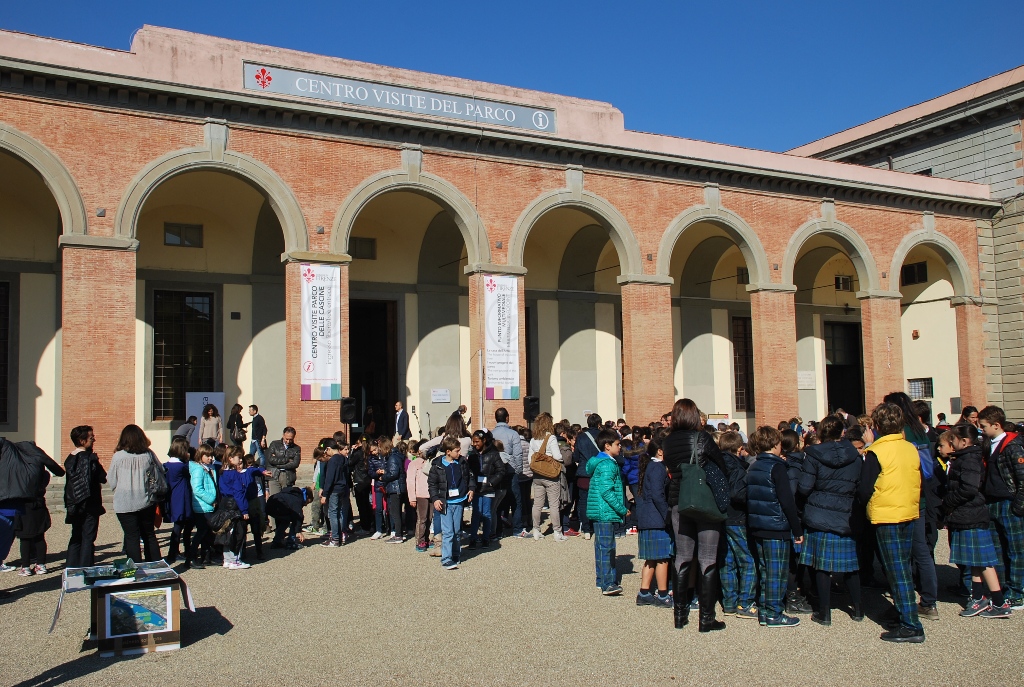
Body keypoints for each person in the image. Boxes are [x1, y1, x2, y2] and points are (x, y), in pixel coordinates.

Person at [857, 402, 925, 643]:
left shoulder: (876, 451)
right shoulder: (909, 448)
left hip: (887, 514)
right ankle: (903, 611)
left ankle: (911, 623)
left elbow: (865, 488)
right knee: (902, 566)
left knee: (896, 570)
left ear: (876, 425)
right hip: (908, 510)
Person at [661, 398, 729, 631]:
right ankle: (706, 618)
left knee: (682, 556)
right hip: (703, 499)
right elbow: (720, 466)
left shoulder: (668, 441)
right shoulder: (702, 438)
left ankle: (680, 616)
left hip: (679, 501)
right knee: (708, 557)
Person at [797, 415, 863, 626]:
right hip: (846, 512)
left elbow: (805, 487)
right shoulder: (855, 454)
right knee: (850, 566)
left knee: (822, 566)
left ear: (821, 432)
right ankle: (859, 609)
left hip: (819, 513)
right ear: (842, 432)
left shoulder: (813, 455)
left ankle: (824, 613)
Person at [939, 425, 1012, 618]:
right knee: (976, 561)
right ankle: (979, 597)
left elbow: (969, 488)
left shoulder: (969, 459)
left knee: (984, 560)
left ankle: (998, 602)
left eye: (953, 440)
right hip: (968, 514)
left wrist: (948, 501)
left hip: (971, 514)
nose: (951, 443)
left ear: (963, 441)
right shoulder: (966, 457)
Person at [883, 391, 939, 620]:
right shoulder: (920, 431)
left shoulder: (900, 432)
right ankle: (929, 602)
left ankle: (903, 604)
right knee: (922, 552)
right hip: (920, 496)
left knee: (900, 555)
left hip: (901, 497)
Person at [747, 426, 804, 628]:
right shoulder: (777, 467)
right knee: (777, 571)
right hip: (775, 524)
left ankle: (765, 609)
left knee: (764, 569)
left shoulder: (753, 466)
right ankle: (773, 612)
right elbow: (787, 501)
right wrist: (797, 530)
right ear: (775, 444)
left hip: (757, 524)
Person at [977, 405, 1024, 609]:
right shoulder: (989, 445)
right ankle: (1004, 588)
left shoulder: (1013, 446)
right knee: (998, 550)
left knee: (1015, 550)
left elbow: (1022, 478)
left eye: (983, 426)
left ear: (996, 425)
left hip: (1008, 503)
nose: (981, 430)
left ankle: (1018, 591)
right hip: (992, 502)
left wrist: (1018, 507)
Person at [108, 425, 162, 563]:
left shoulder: (118, 457)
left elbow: (112, 481)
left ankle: (135, 569)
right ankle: (155, 566)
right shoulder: (148, 455)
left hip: (124, 503)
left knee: (131, 537)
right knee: (149, 535)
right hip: (145, 500)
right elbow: (159, 472)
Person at [718, 430, 757, 620]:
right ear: (739, 448)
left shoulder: (716, 465)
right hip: (736, 516)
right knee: (747, 561)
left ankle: (729, 602)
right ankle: (746, 602)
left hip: (720, 516)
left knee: (727, 561)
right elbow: (737, 493)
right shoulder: (737, 467)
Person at [635, 433, 672, 607]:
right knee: (662, 558)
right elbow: (658, 494)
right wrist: (667, 514)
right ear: (660, 451)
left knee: (650, 558)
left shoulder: (649, 466)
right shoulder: (658, 468)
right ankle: (663, 594)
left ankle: (644, 592)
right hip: (656, 518)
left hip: (647, 517)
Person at [588, 428, 626, 596]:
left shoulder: (600, 462)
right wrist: (622, 508)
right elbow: (607, 491)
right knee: (607, 547)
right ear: (607, 446)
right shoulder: (608, 465)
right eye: (618, 444)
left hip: (600, 510)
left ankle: (601, 579)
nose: (620, 447)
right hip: (605, 510)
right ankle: (608, 583)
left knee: (601, 547)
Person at [428, 436, 475, 570]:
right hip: (445, 502)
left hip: (459, 501)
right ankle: (446, 559)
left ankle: (455, 554)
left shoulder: (462, 462)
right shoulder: (437, 465)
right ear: (448, 451)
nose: (459, 453)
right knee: (448, 531)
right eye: (456, 451)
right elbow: (432, 484)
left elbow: (469, 476)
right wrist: (436, 498)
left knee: (457, 530)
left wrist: (471, 488)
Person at [63, 425, 106, 568]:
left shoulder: (70, 458)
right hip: (90, 502)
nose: (94, 439)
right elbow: (102, 477)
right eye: (91, 437)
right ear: (82, 441)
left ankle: (71, 567)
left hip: (74, 502)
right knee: (88, 537)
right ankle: (85, 568)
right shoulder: (89, 458)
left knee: (76, 536)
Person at [529, 412, 566, 541]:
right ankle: (557, 532)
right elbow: (558, 456)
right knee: (554, 504)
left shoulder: (533, 439)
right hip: (550, 475)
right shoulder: (551, 438)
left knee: (537, 504)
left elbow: (530, 459)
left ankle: (536, 529)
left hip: (537, 474)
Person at [491, 408, 525, 537]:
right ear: (507, 418)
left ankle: (498, 530)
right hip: (511, 470)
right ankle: (517, 529)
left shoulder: (491, 434)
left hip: (496, 472)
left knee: (498, 502)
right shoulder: (513, 434)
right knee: (516, 501)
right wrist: (518, 470)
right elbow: (518, 453)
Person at [217, 447, 252, 569]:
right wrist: (244, 510)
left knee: (228, 532)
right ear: (231, 459)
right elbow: (238, 493)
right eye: (238, 457)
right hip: (235, 505)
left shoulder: (222, 472)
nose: (240, 459)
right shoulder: (234, 474)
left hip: (225, 503)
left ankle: (227, 559)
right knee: (238, 533)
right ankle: (234, 560)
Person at [468, 429, 504, 548]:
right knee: (476, 514)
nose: (475, 444)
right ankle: (473, 538)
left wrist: (491, 483)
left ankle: (486, 538)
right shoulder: (472, 455)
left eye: (477, 441)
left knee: (487, 513)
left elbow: (501, 470)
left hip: (488, 489)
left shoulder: (493, 454)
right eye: (473, 442)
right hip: (476, 489)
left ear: (484, 440)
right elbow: (468, 471)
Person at [186, 443, 218, 569]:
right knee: (202, 532)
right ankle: (190, 558)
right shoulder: (198, 469)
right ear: (201, 455)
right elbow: (197, 489)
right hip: (202, 506)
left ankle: (206, 557)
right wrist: (211, 499)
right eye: (207, 456)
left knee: (207, 532)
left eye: (211, 456)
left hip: (209, 505)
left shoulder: (210, 468)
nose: (210, 458)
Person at [572, 413, 604, 541]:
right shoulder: (603, 436)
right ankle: (599, 526)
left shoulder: (581, 437)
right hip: (600, 471)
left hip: (584, 472)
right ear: (599, 424)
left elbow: (576, 456)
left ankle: (586, 529)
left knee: (584, 501)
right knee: (600, 500)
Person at [163, 436, 194, 564]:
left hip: (173, 498)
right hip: (181, 499)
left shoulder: (166, 465)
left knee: (178, 527)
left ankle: (174, 552)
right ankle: (173, 552)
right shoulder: (182, 467)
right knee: (179, 527)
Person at [319, 437, 350, 547]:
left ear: (328, 449)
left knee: (333, 513)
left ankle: (335, 539)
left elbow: (329, 478)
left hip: (334, 489)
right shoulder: (343, 458)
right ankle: (341, 535)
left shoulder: (333, 460)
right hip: (343, 487)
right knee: (340, 512)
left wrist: (325, 494)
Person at [378, 436, 407, 543]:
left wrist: (383, 476)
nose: (380, 451)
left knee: (395, 512)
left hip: (395, 487)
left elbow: (394, 474)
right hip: (398, 487)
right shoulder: (396, 456)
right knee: (397, 511)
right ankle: (399, 533)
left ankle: (398, 535)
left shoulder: (392, 457)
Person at [267, 485, 313, 549]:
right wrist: (299, 531)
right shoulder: (297, 499)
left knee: (285, 521)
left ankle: (277, 541)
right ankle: (290, 542)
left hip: (270, 506)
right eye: (307, 502)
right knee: (295, 519)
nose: (305, 505)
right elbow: (299, 516)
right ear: (307, 496)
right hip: (277, 507)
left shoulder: (293, 493)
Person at [406, 441, 433, 552]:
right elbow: (410, 481)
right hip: (420, 494)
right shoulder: (414, 464)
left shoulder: (431, 462)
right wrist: (412, 497)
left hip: (431, 494)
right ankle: (420, 541)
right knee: (422, 519)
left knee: (429, 518)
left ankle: (426, 538)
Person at [241, 453, 268, 560]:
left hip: (254, 502)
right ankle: (242, 552)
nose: (249, 466)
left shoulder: (251, 470)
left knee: (256, 529)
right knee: (242, 530)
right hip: (243, 503)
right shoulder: (238, 473)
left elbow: (258, 470)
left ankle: (259, 550)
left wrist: (263, 471)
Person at [267, 427, 301, 497]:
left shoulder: (296, 448)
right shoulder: (274, 444)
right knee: (274, 499)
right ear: (283, 435)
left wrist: (279, 465)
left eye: (290, 439)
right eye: (286, 439)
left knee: (286, 500)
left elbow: (295, 464)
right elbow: (270, 459)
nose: (288, 441)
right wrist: (286, 460)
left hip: (287, 476)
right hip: (274, 474)